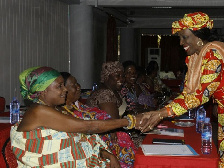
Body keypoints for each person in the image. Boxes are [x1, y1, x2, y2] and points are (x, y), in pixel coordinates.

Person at [138, 12, 224, 167]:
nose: (180, 42)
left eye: (185, 37)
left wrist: (162, 113)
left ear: (199, 37)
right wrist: (162, 111)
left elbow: (200, 96)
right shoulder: (195, 57)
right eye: (180, 37)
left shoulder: (213, 53)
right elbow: (188, 93)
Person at [11, 66, 142, 168]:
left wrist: (108, 155)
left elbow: (83, 138)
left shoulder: (56, 110)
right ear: (43, 91)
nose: (65, 90)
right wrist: (130, 121)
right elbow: (89, 127)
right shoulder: (38, 111)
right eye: (59, 86)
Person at [59, 72, 136, 168]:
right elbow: (87, 128)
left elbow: (100, 114)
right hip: (93, 139)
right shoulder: (62, 112)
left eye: (77, 83)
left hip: (103, 134)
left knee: (123, 137)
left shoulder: (78, 105)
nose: (78, 87)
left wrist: (111, 127)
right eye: (73, 85)